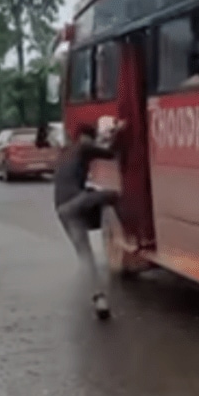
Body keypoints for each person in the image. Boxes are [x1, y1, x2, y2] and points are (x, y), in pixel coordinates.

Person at [54, 119, 126, 319]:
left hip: (62, 210)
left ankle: (99, 300)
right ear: (87, 136)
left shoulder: (64, 153)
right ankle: (128, 232)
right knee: (114, 196)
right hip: (79, 201)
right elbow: (110, 153)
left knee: (86, 257)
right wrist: (118, 132)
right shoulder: (84, 146)